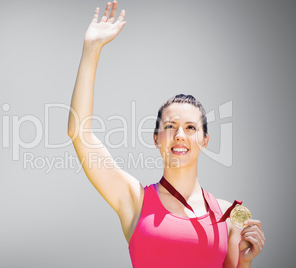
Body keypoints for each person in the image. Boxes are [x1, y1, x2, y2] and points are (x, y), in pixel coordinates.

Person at [67, 1, 265, 267]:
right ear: (156, 138)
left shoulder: (229, 216)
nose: (180, 135)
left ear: (205, 141)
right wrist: (91, 50)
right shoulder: (135, 200)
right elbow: (80, 134)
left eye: (191, 128)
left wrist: (245, 261)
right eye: (170, 127)